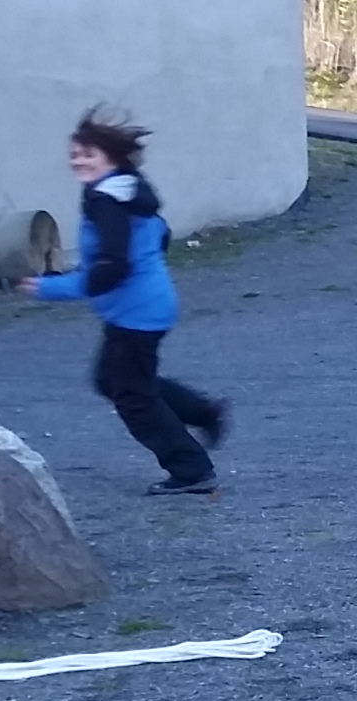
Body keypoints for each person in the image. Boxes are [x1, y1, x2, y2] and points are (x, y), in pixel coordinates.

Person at [15, 110, 227, 495]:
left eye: (88, 154)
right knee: (113, 380)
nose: (78, 161)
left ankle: (192, 471)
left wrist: (52, 288)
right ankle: (203, 411)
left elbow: (113, 267)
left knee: (133, 398)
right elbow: (160, 234)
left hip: (137, 314)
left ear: (110, 157)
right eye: (75, 154)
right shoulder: (128, 190)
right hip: (142, 307)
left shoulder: (108, 200)